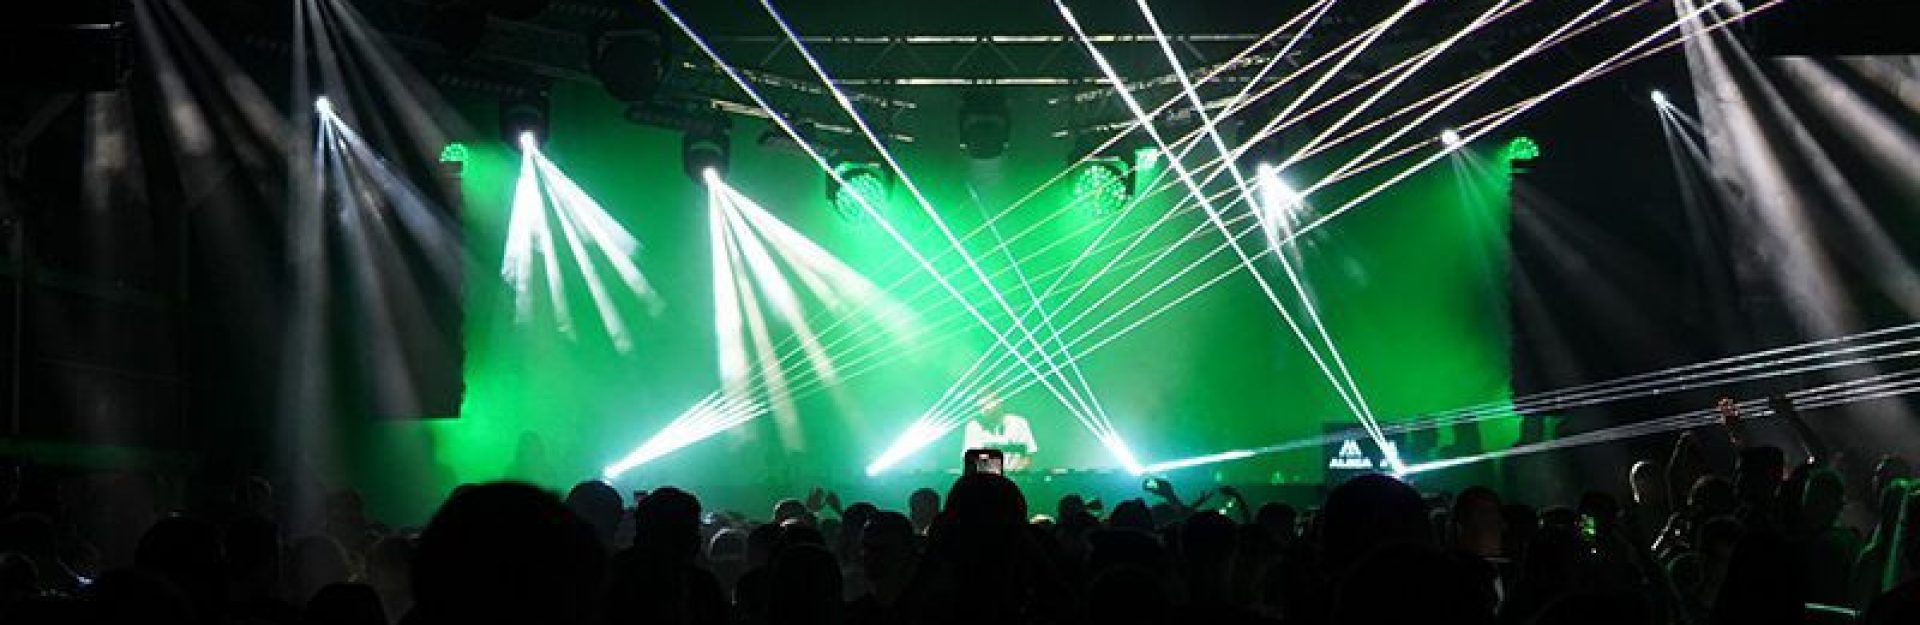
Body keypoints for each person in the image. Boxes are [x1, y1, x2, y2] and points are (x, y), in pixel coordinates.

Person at [960, 392, 1038, 472]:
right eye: (981, 407)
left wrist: (1017, 471)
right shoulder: (973, 426)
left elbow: (1029, 454)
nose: (985, 409)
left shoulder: (1019, 422)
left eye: (987, 403)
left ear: (999, 401)